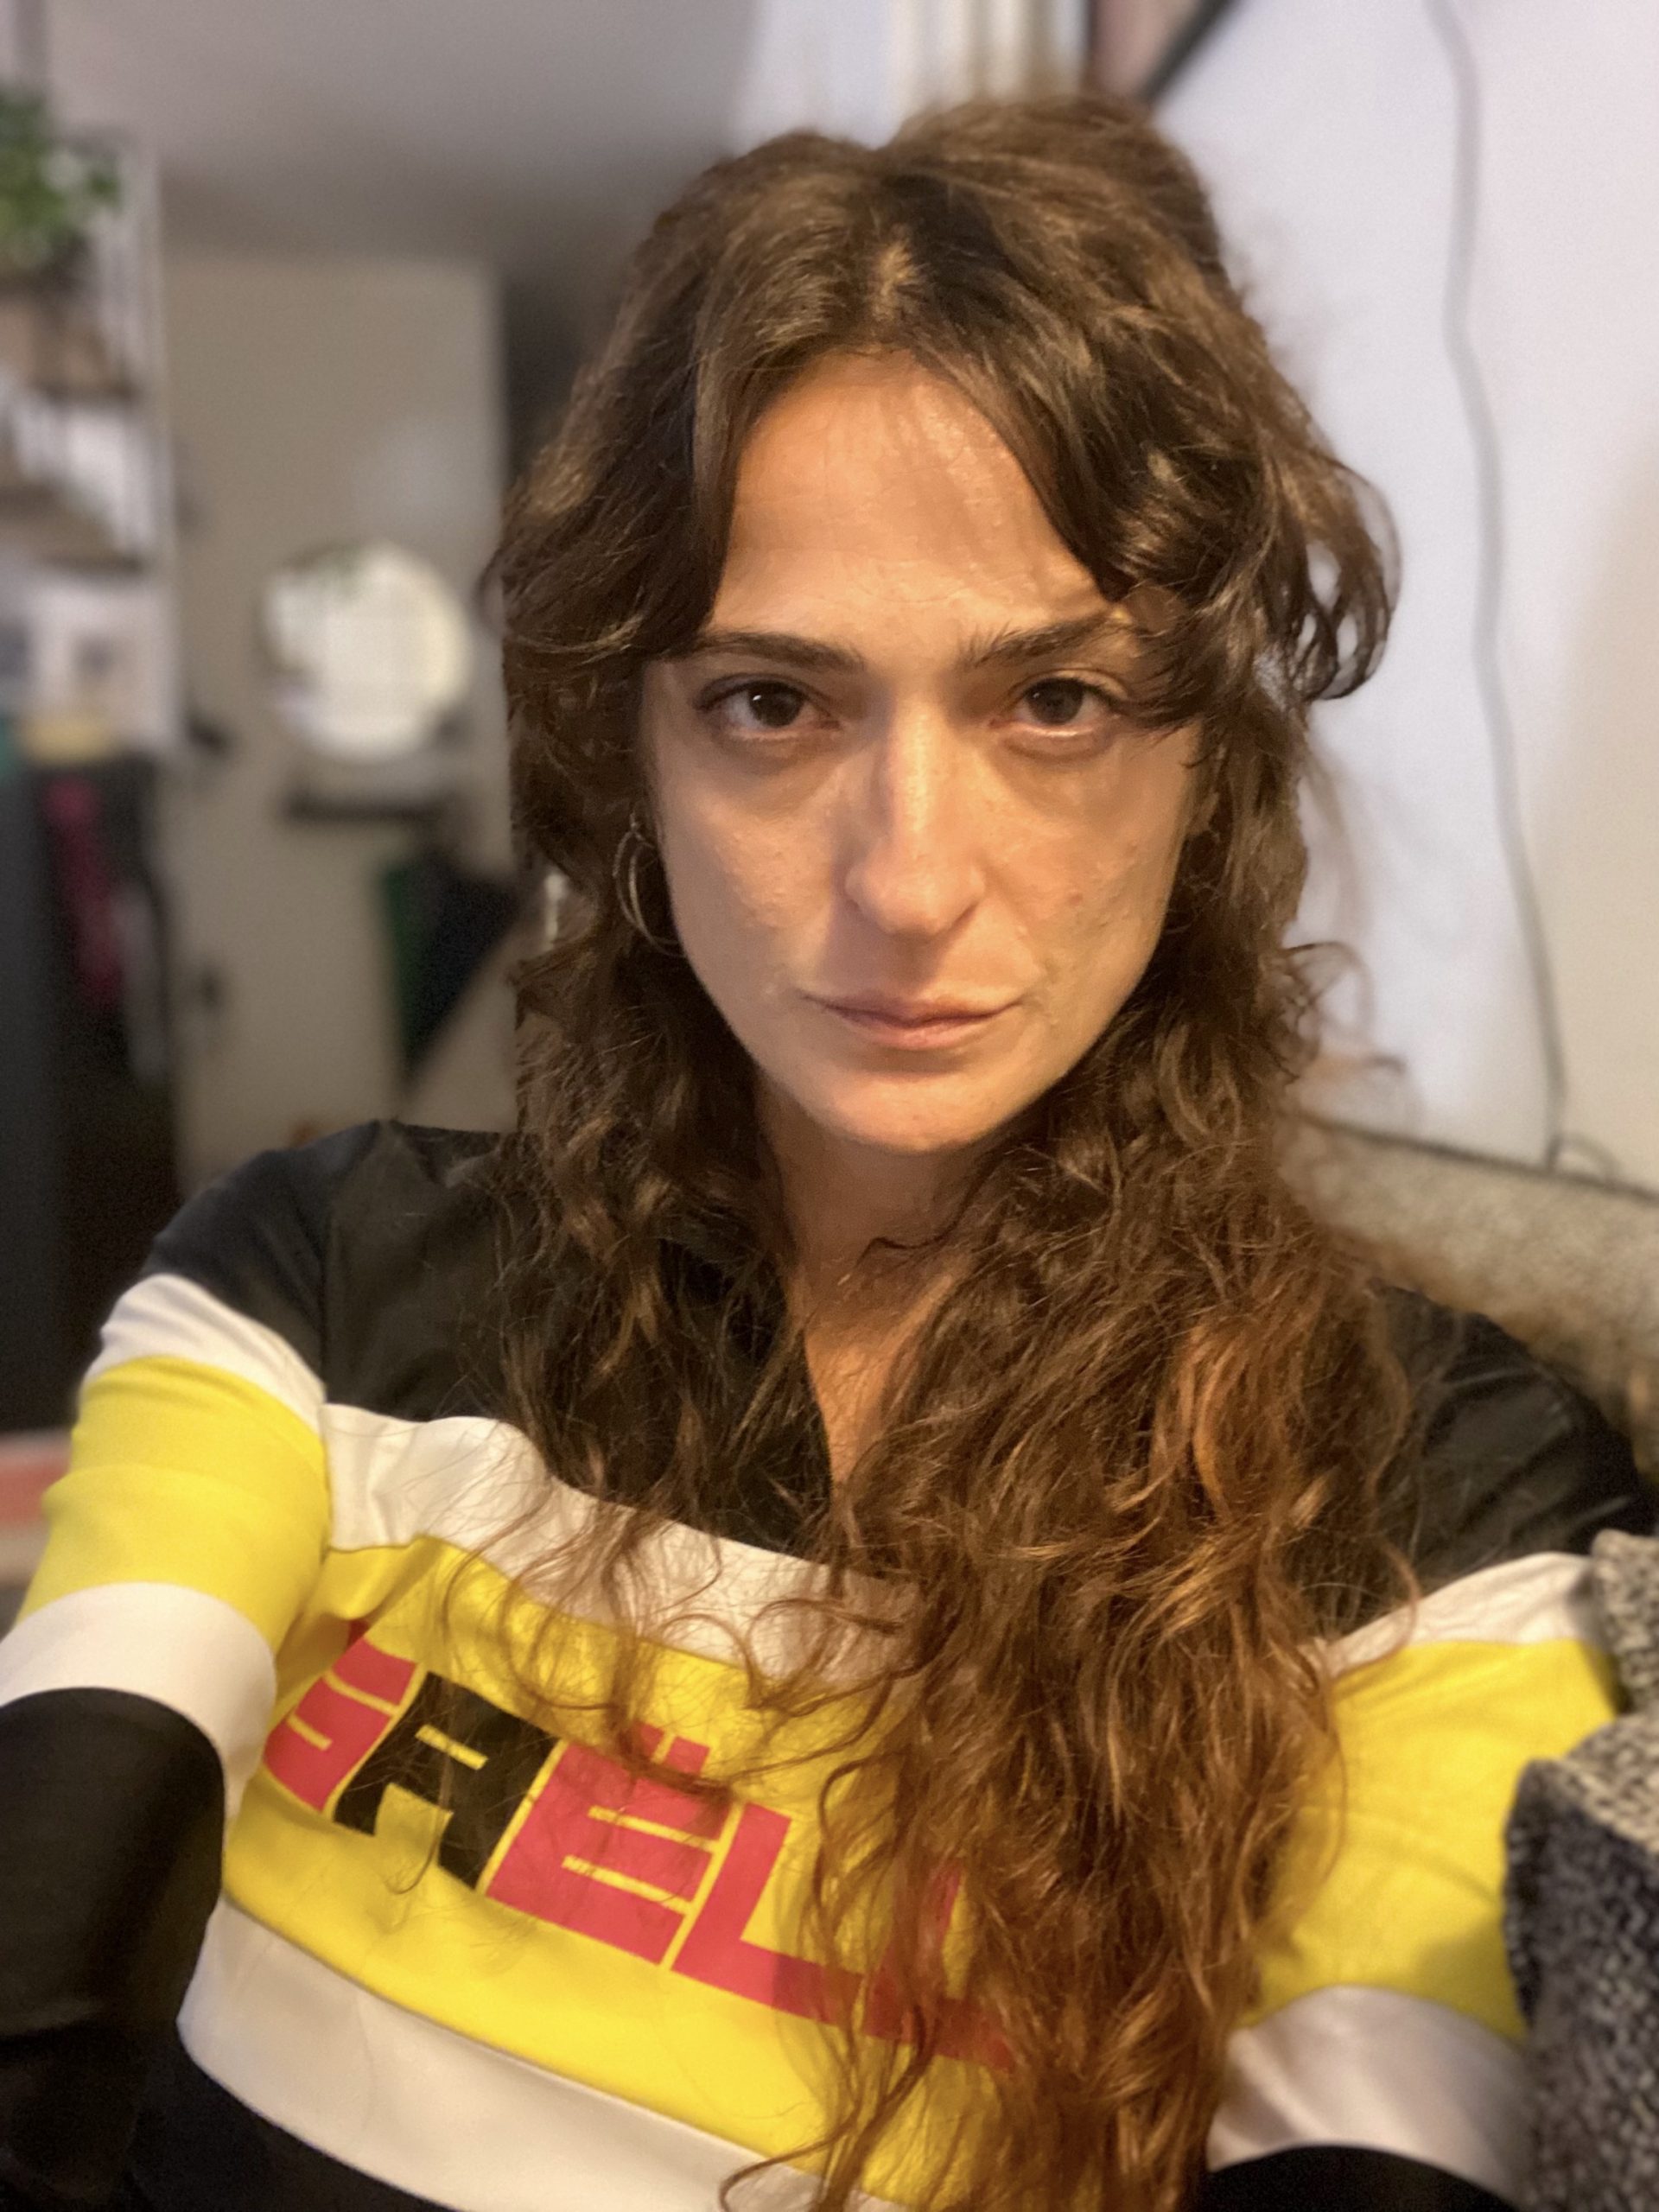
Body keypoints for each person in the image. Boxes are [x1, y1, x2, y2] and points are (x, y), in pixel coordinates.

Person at [0, 92, 1649, 2212]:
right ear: (632, 746)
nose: (911, 881)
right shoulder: (317, 1283)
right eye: (774, 702)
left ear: (1204, 757)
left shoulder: (1442, 1500)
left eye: (1055, 699)